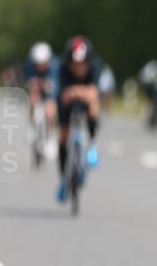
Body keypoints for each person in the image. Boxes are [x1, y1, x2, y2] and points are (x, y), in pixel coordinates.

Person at [54, 35, 102, 202]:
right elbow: (64, 95)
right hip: (67, 102)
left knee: (93, 107)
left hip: (85, 99)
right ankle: (63, 179)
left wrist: (78, 92)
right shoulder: (62, 68)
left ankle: (93, 144)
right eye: (75, 64)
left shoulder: (95, 66)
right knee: (63, 135)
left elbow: (93, 93)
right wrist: (81, 92)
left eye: (82, 64)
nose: (78, 68)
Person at [24, 41, 58, 126]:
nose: (40, 66)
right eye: (38, 64)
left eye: (43, 63)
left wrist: (51, 101)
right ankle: (31, 124)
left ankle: (51, 127)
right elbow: (30, 83)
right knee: (32, 99)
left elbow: (55, 88)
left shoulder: (55, 66)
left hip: (50, 88)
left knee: (51, 108)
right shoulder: (30, 65)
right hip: (38, 87)